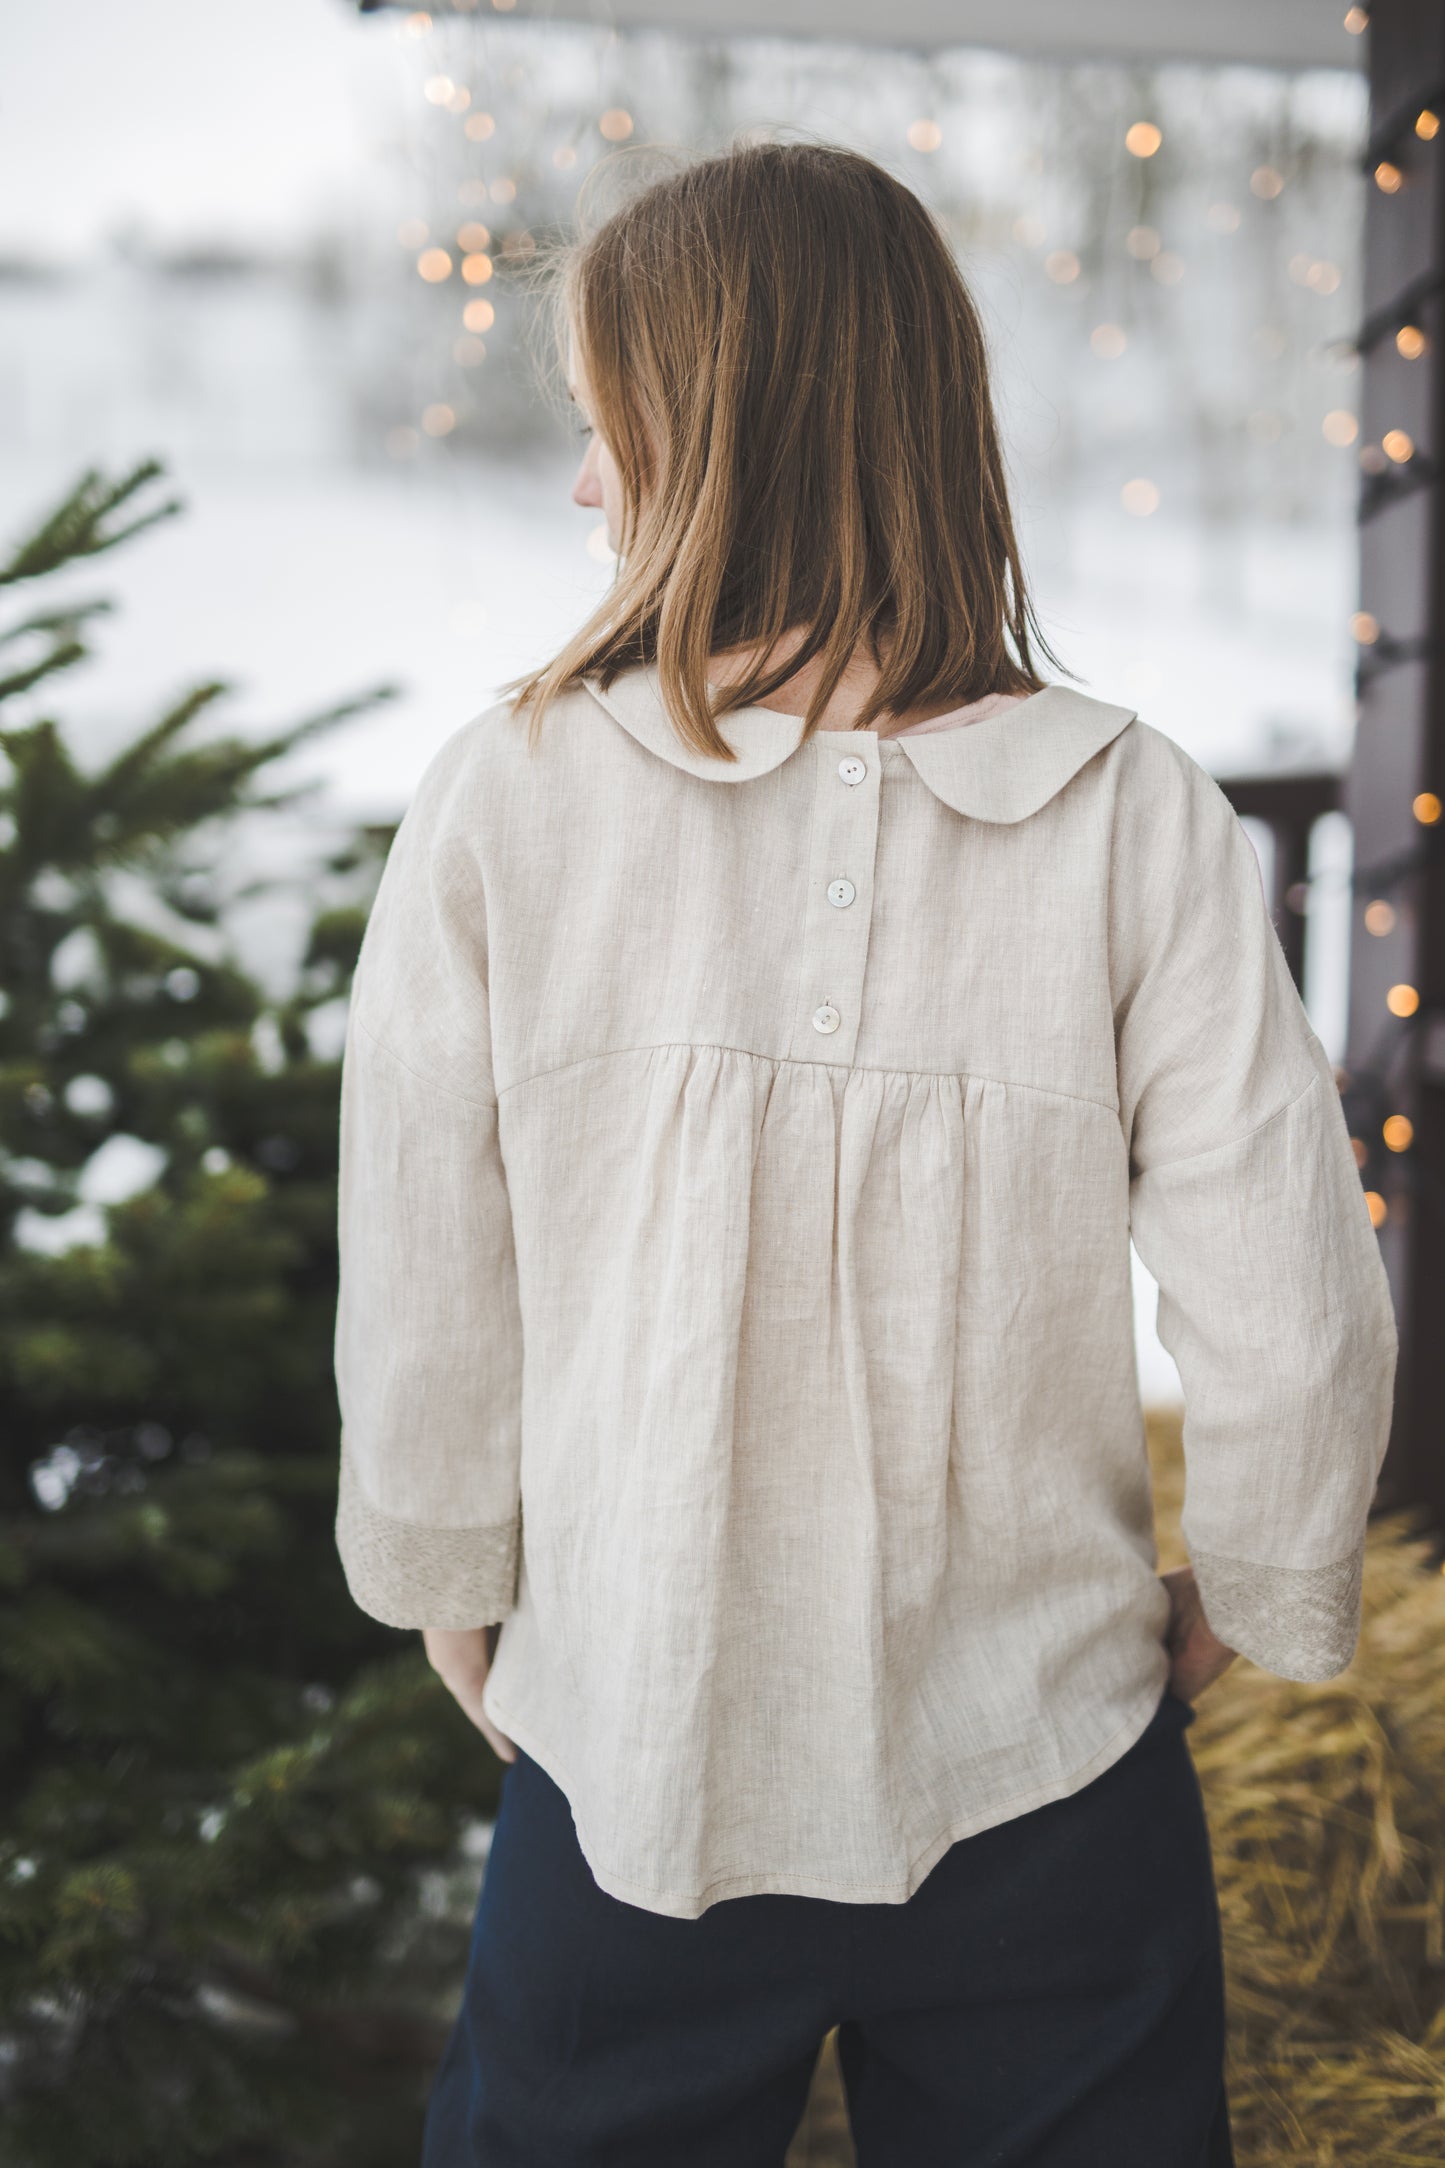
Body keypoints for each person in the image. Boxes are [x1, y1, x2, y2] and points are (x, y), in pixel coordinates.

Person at [331, 141, 1398, 2167]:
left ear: (710, 438)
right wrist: (1248, 1578)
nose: (582, 484)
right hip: (1049, 1763)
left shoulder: (505, 798)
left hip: (631, 1753)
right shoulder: (1135, 812)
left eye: (599, 428)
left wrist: (450, 1577)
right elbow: (1292, 1289)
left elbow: (426, 1253)